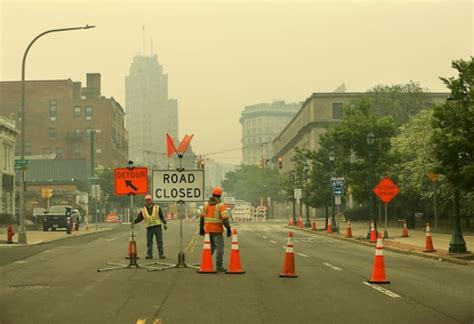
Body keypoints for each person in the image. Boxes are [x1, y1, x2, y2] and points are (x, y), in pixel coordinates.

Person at [199, 186, 232, 272]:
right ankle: (219, 266)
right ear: (220, 196)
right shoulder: (221, 206)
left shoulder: (206, 205)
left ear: (212, 194)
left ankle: (205, 262)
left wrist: (201, 229)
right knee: (220, 248)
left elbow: (202, 218)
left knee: (210, 247)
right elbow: (225, 219)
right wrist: (228, 229)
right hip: (217, 230)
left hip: (207, 229)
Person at [134, 194, 168, 259]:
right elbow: (140, 218)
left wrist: (165, 223)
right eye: (146, 200)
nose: (147, 201)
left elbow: (161, 216)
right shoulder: (143, 210)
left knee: (159, 241)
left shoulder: (157, 207)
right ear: (145, 201)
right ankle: (149, 255)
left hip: (157, 227)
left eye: (149, 200)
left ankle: (161, 254)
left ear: (151, 200)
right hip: (149, 228)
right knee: (149, 242)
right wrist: (134, 222)